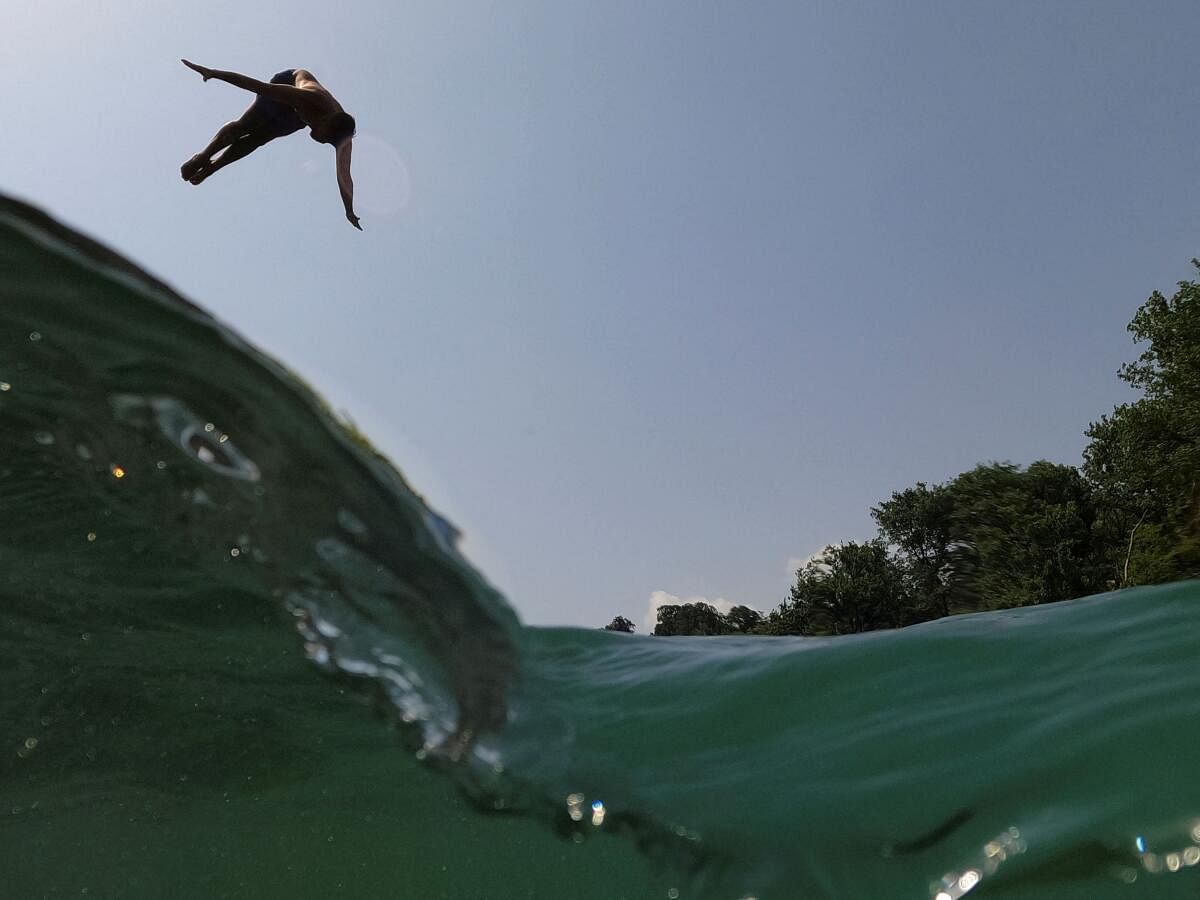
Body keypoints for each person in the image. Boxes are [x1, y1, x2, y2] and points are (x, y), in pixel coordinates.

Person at [180, 60, 361, 230]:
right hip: (288, 83)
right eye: (323, 136)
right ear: (323, 120)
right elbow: (255, 85)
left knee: (259, 138)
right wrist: (213, 73)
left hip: (297, 116)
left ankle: (213, 166)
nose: (321, 141)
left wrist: (349, 211)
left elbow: (344, 174)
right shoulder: (307, 96)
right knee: (245, 125)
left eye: (327, 141)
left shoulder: (342, 137)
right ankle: (204, 156)